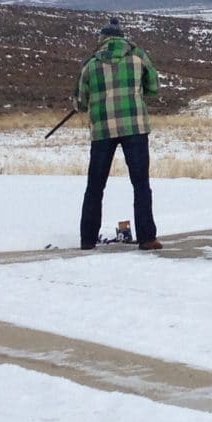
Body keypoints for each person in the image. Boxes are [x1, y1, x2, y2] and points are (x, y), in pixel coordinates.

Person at [74, 17, 162, 251]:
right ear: (122, 37)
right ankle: (147, 238)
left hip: (102, 130)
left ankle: (87, 239)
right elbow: (153, 86)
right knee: (141, 183)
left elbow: (81, 101)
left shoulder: (90, 64)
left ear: (102, 40)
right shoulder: (138, 56)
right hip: (135, 127)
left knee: (95, 185)